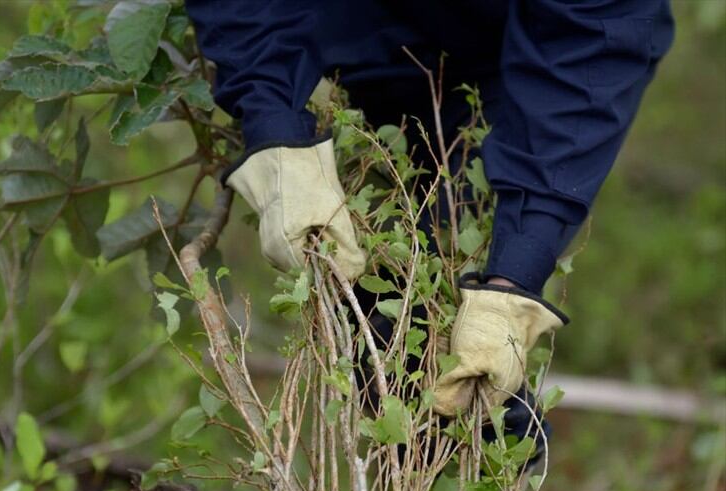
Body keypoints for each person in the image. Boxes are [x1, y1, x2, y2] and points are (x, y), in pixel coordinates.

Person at [186, 1, 673, 424]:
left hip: (514, 53)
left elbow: (594, 40)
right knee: (379, 339)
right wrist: (273, 124)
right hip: (347, 41)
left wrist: (511, 281)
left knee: (462, 363)